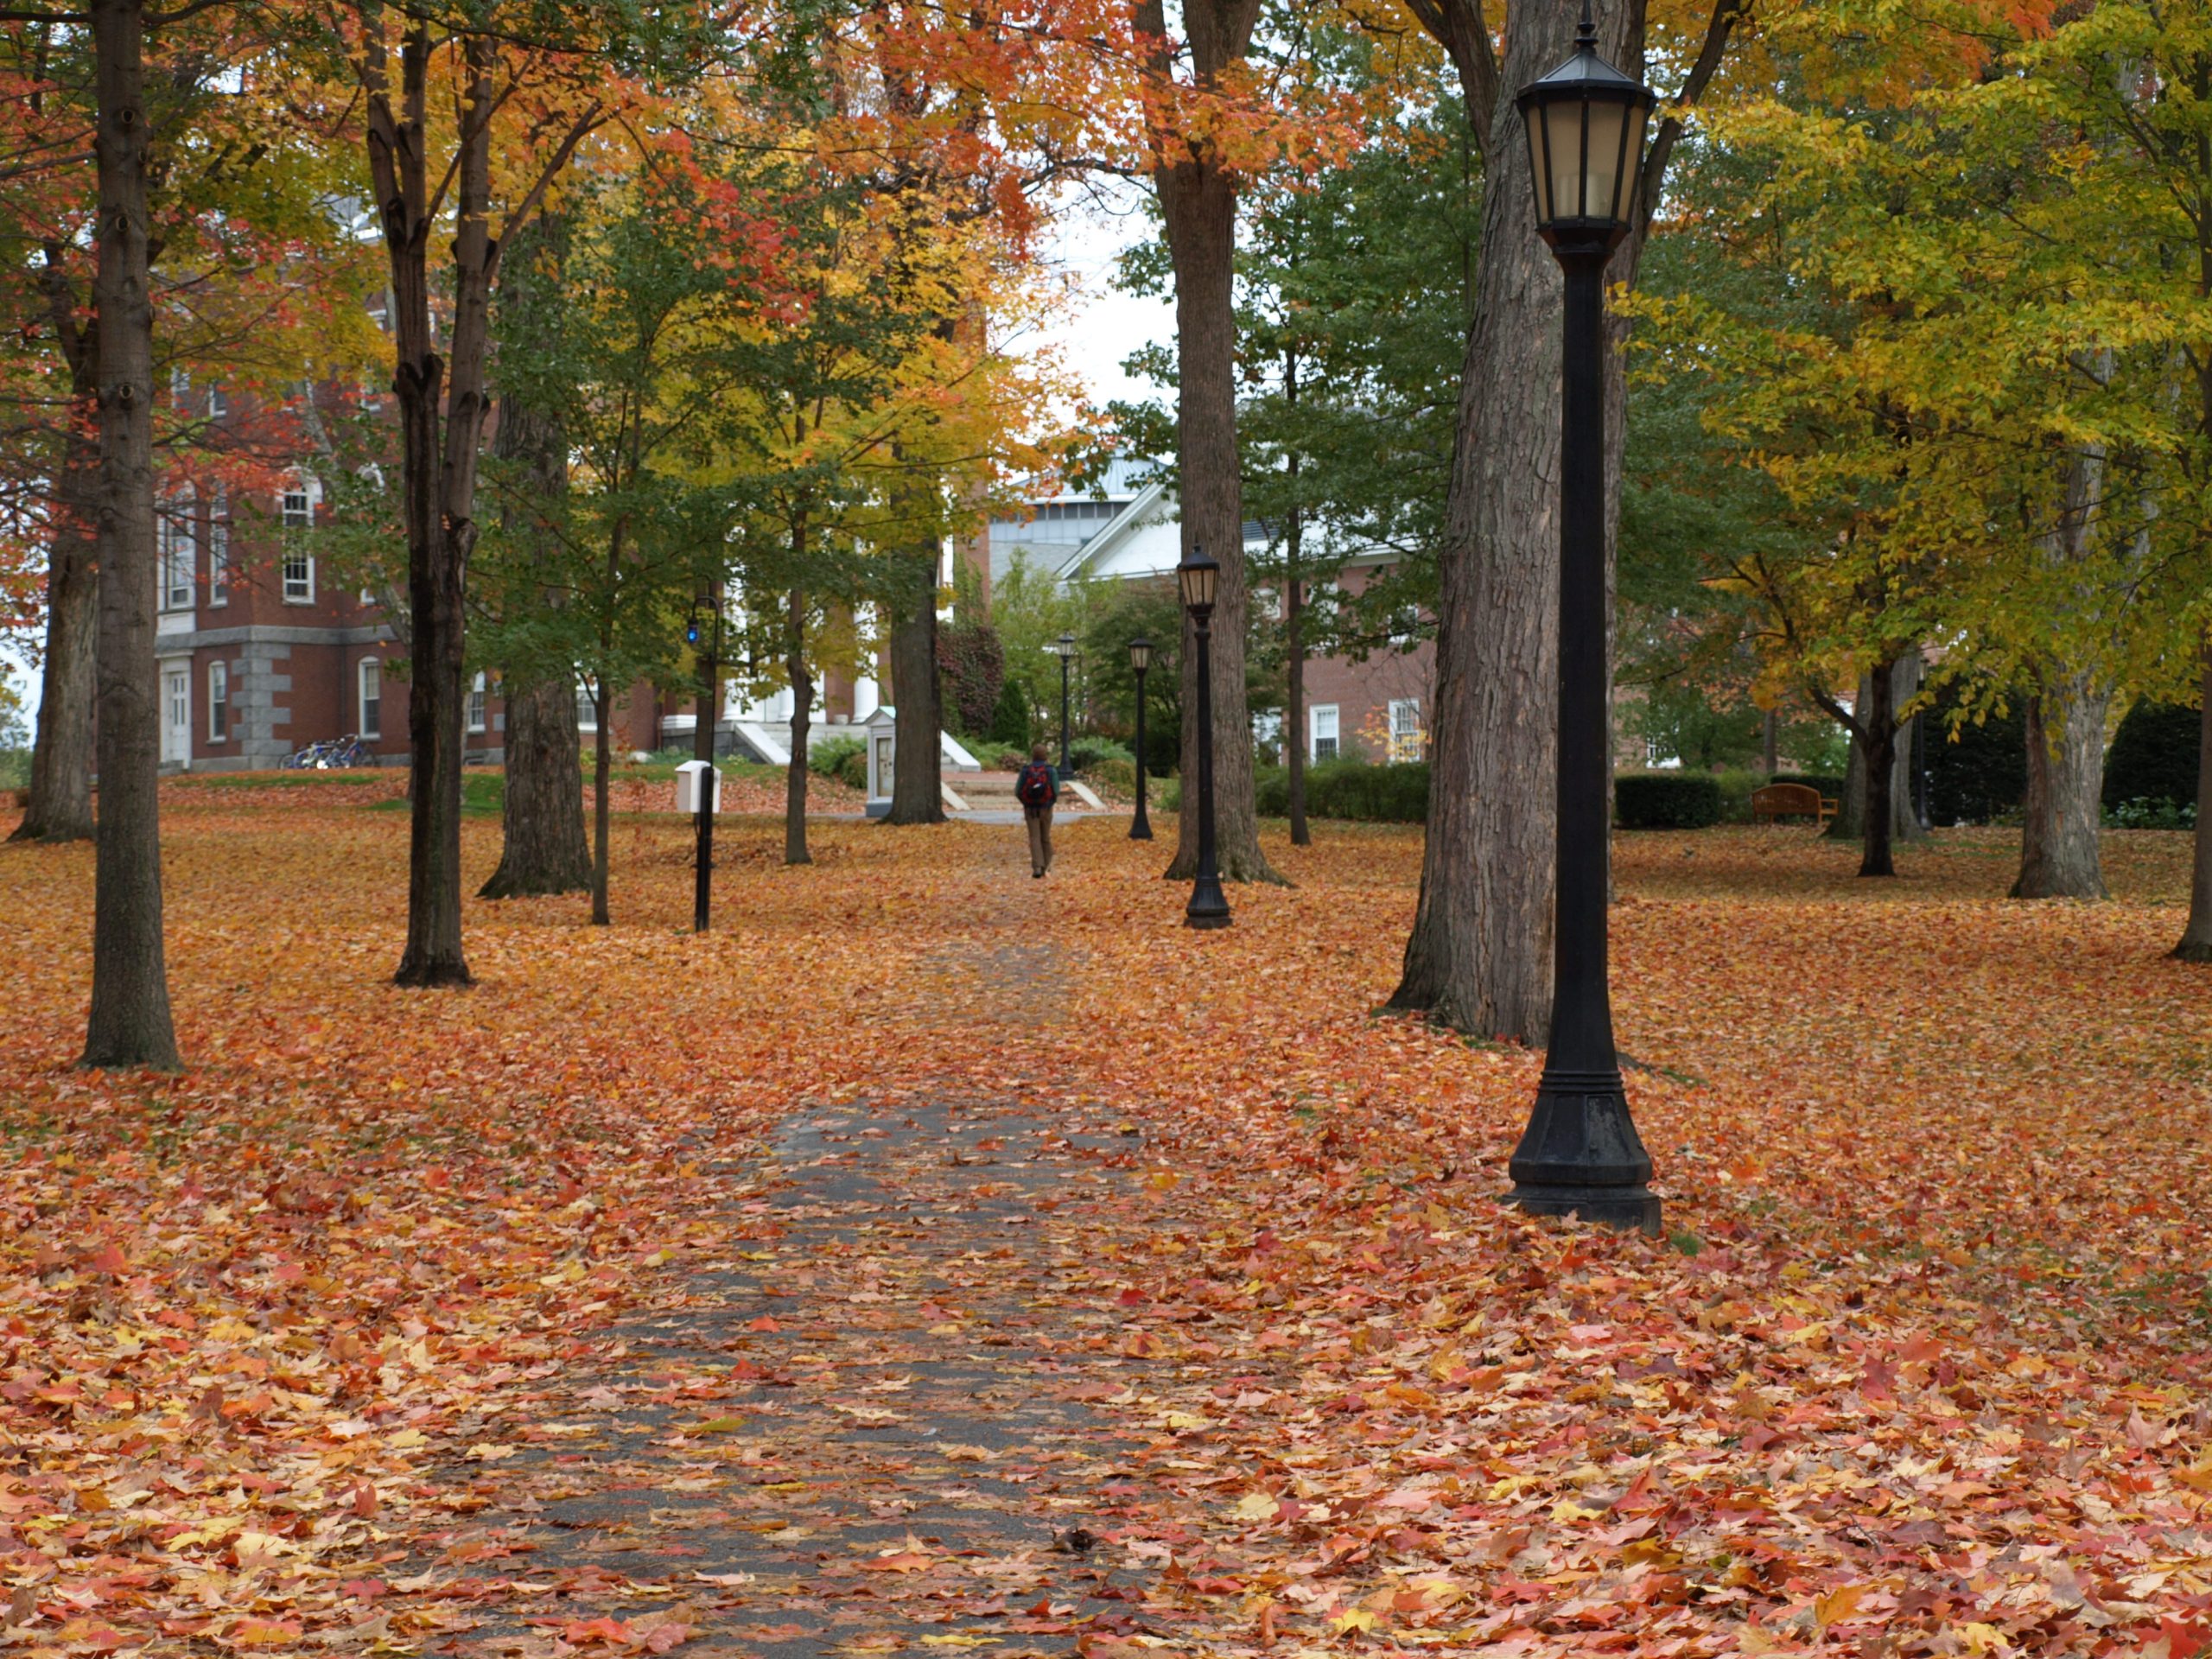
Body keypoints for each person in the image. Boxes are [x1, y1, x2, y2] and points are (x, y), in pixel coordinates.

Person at [1015, 741, 1058, 878]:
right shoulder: (1051, 770)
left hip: (1030, 809)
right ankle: (1047, 864)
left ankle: (1037, 867)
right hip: (1046, 808)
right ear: (1045, 756)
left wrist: (1026, 803)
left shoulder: (1026, 770)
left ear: (1033, 756)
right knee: (1045, 837)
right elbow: (1056, 790)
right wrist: (1049, 803)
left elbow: (1018, 791)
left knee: (1034, 837)